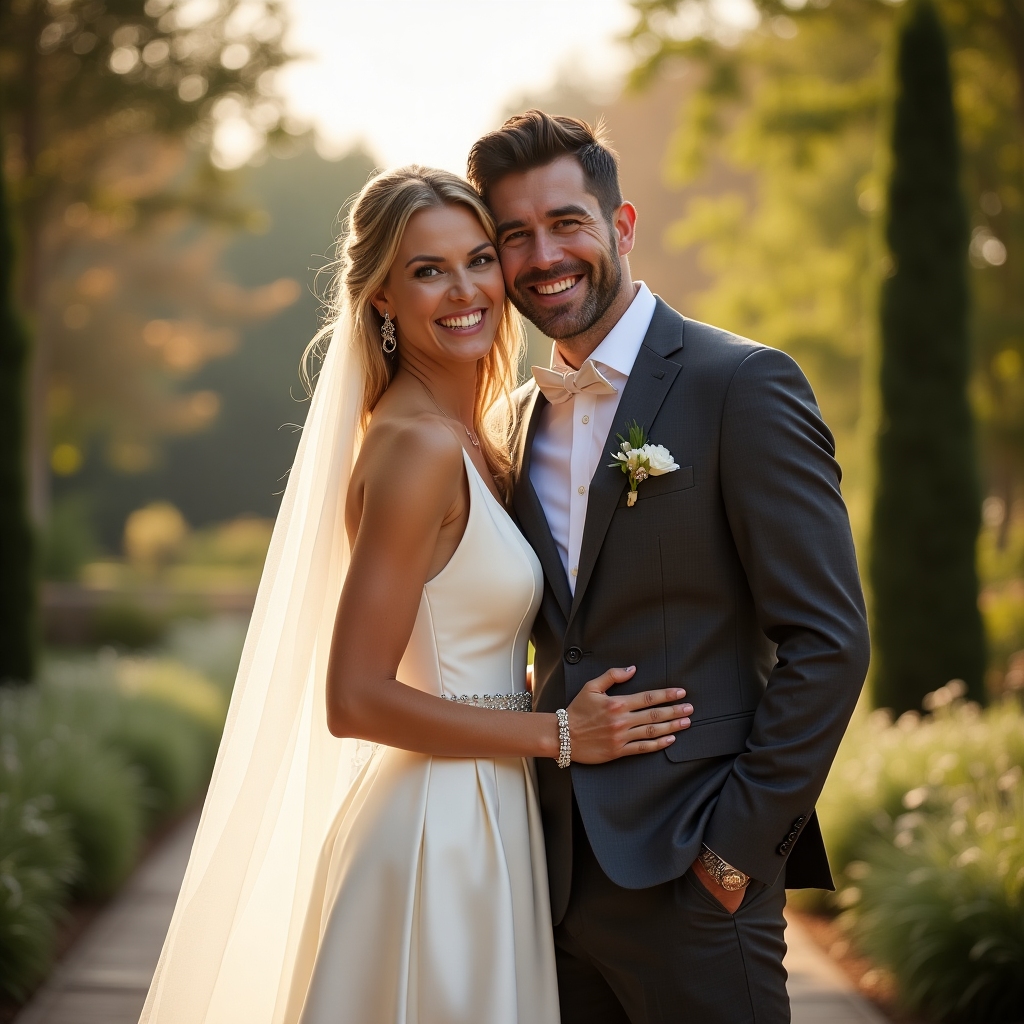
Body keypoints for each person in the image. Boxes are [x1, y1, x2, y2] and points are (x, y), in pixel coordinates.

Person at [139, 166, 694, 1024]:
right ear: (382, 299)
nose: (467, 289)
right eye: (428, 270)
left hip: (489, 811)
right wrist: (558, 734)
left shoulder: (475, 434)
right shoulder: (416, 451)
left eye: (478, 259)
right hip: (440, 831)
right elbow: (354, 697)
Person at [467, 110, 871, 1024]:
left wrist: (733, 856)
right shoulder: (518, 420)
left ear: (622, 225)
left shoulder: (743, 384)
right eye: (515, 235)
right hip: (553, 882)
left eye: (566, 222)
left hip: (695, 882)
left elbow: (829, 642)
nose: (544, 255)